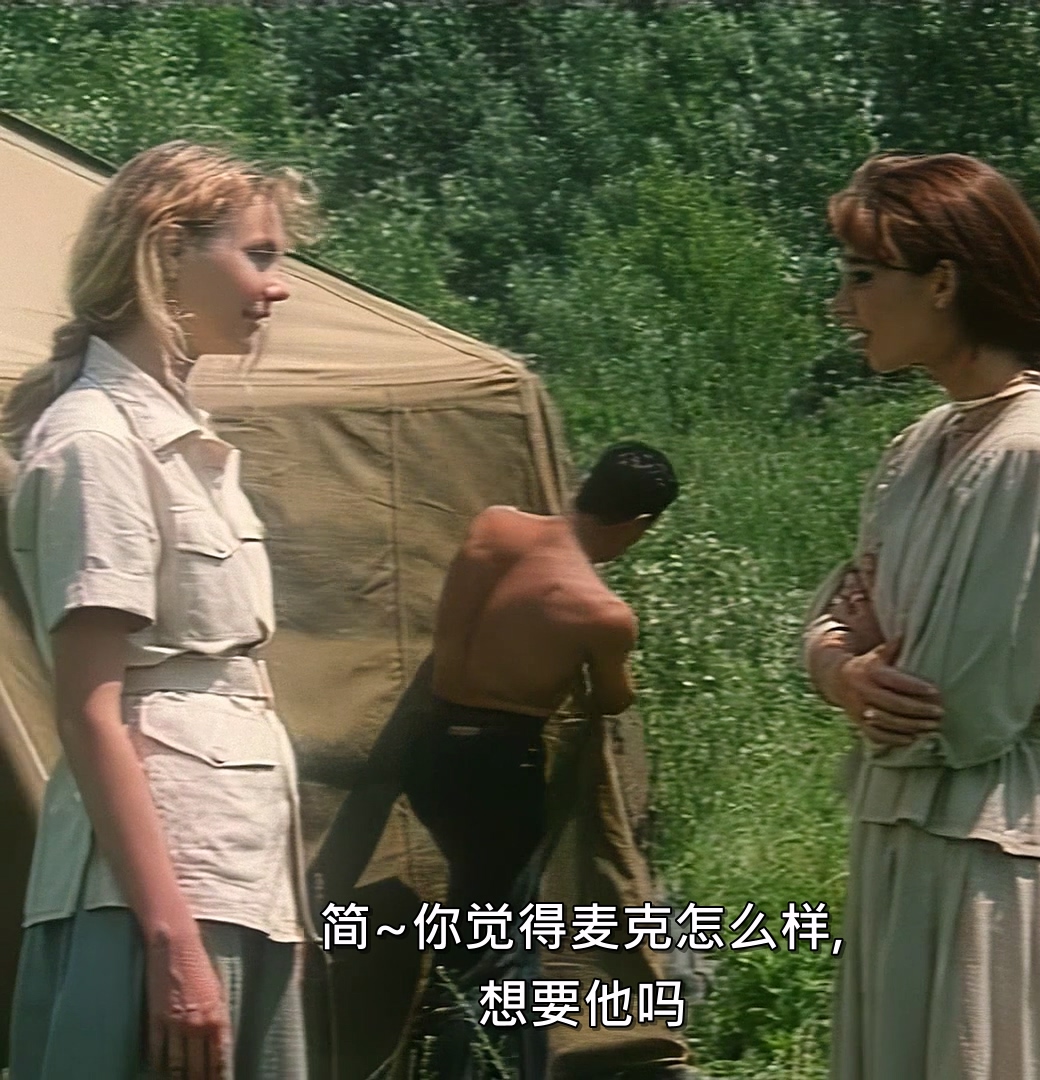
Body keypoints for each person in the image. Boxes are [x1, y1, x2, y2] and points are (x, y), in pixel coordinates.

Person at [802, 152, 1040, 1079]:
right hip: (902, 837)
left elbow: (944, 708)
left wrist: (860, 666)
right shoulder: (923, 442)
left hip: (985, 851)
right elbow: (836, 612)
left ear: (944, 282)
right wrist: (840, 667)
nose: (842, 305)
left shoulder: (1035, 449)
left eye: (862, 278)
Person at [3, 140, 317, 1079]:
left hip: (231, 870)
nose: (278, 285)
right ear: (168, 251)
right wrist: (173, 943)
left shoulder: (187, 443)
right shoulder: (98, 442)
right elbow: (90, 712)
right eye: (258, 254)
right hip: (154, 894)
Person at [394, 440, 679, 1079]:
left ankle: (431, 1048)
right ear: (639, 523)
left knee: (469, 915)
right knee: (502, 944)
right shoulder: (602, 612)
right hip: (498, 767)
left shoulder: (495, 527)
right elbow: (612, 698)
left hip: (427, 746)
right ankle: (479, 1069)